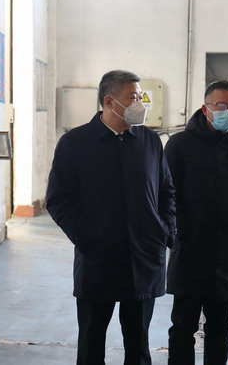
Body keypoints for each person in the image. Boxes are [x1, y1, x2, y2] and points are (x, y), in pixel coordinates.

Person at [46, 69, 176, 365]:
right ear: (109, 101)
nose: (139, 104)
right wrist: (88, 239)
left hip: (143, 258)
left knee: (138, 346)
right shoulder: (75, 143)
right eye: (132, 97)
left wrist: (164, 231)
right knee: (91, 345)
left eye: (140, 97)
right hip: (98, 260)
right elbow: (59, 199)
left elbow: (167, 190)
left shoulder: (149, 141)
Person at [165, 80, 228, 365]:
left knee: (220, 326)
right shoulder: (180, 145)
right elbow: (165, 193)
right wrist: (173, 232)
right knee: (183, 325)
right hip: (191, 249)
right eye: (222, 105)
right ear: (206, 108)